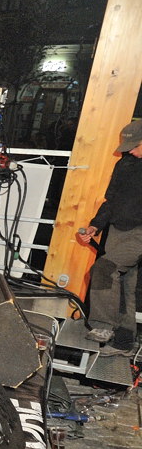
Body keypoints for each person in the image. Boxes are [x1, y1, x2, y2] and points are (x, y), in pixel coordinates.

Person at [77, 118, 142, 357]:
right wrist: (95, 226)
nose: (130, 151)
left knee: (103, 269)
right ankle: (124, 343)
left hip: (139, 233)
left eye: (135, 146)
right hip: (117, 229)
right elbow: (111, 200)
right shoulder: (124, 164)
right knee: (124, 286)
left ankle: (103, 326)